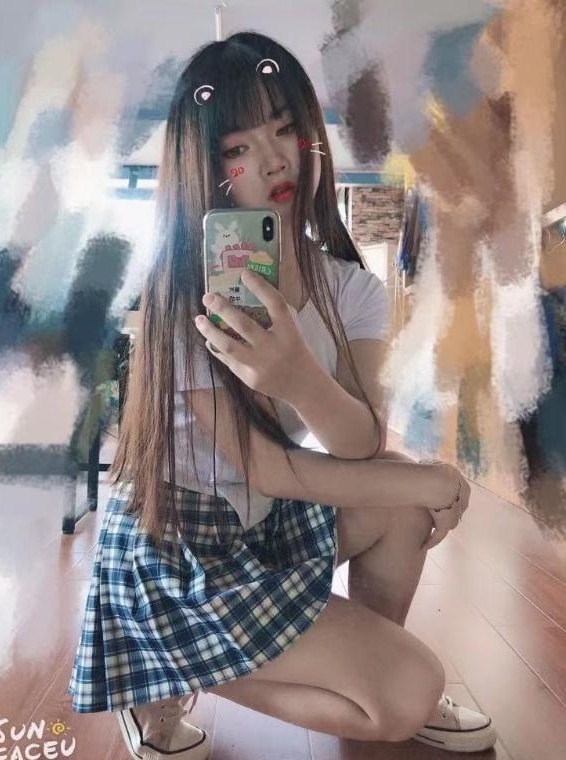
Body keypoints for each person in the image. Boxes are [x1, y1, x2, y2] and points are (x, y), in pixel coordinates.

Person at [67, 31, 497, 758]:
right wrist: (424, 474)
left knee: (402, 496)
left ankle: (366, 663)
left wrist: (301, 379)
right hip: (181, 545)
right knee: (410, 686)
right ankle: (166, 665)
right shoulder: (189, 292)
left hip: (264, 523)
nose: (273, 159)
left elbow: (360, 441)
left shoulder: (350, 287)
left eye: (285, 128)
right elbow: (265, 466)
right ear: (206, 171)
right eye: (237, 147)